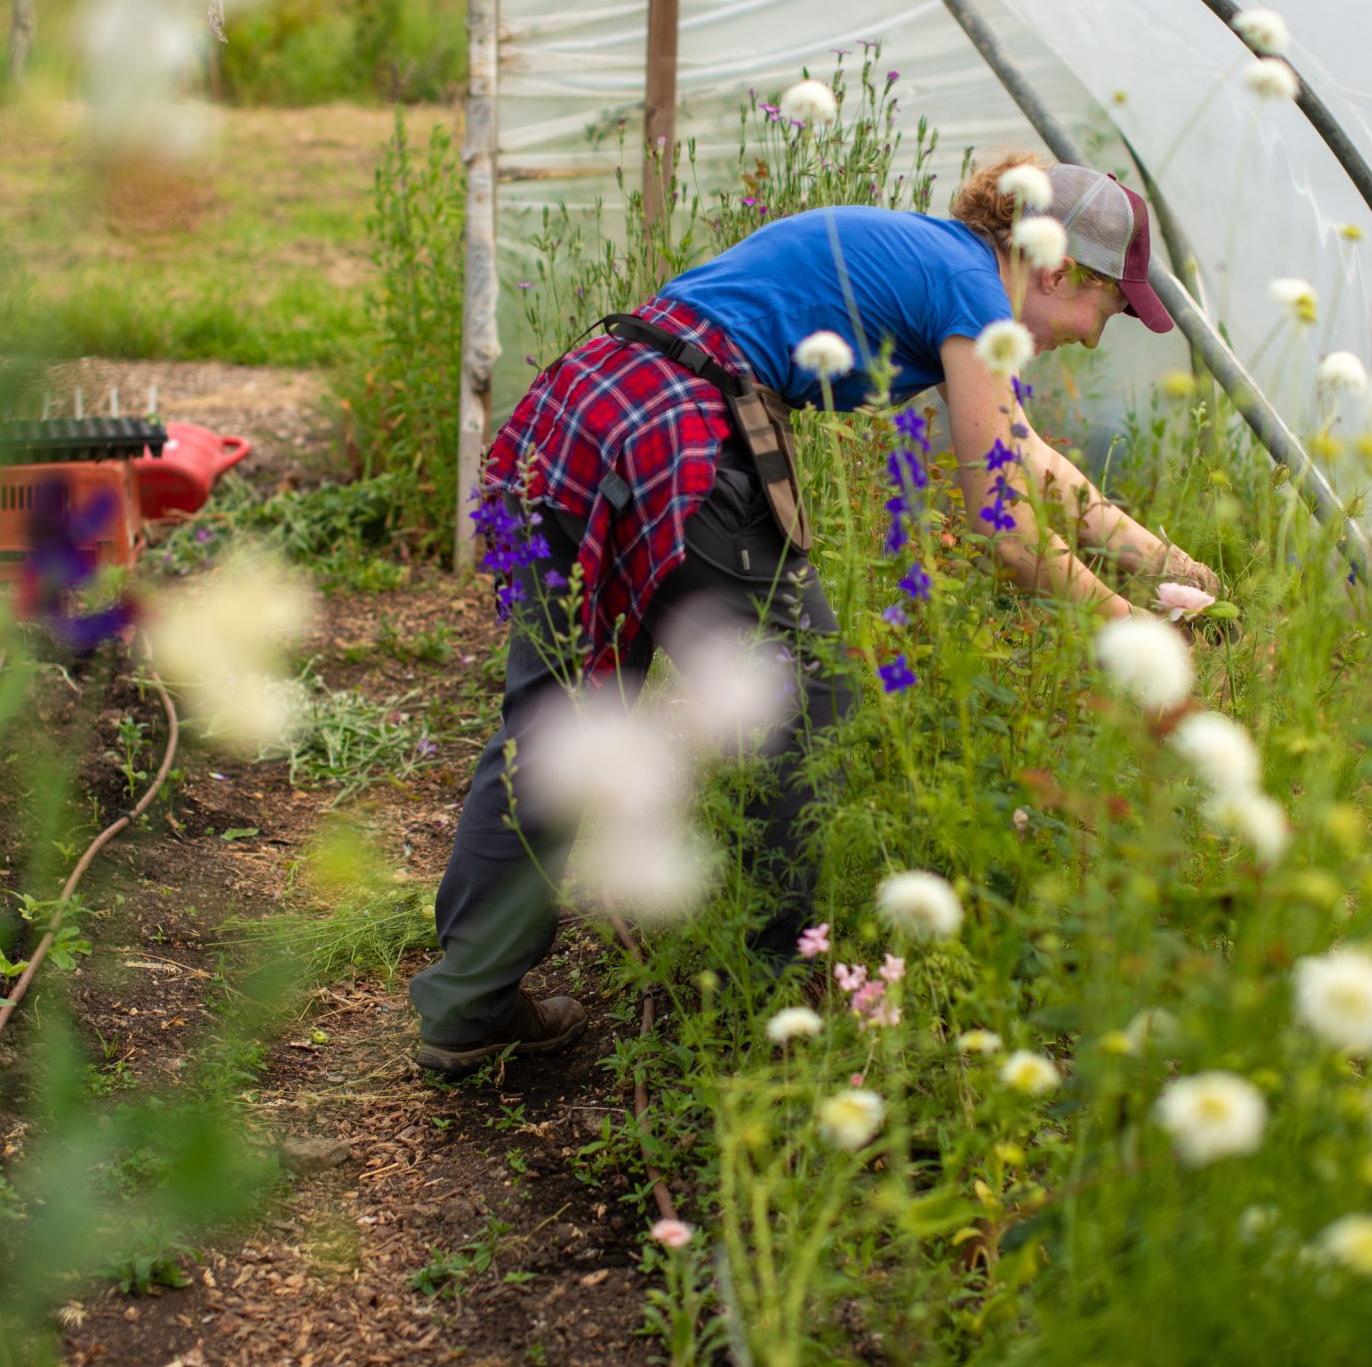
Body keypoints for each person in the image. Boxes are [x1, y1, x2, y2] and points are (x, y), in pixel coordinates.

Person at [407, 156, 1221, 1077]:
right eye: (1108, 309)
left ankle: (469, 1004)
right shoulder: (970, 290)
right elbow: (1006, 534)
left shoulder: (941, 263)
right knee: (805, 698)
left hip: (595, 401)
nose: (1094, 337)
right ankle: (770, 993)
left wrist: (1167, 566)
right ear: (1054, 266)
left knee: (559, 714)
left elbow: (1021, 455)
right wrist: (1131, 628)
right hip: (680, 429)